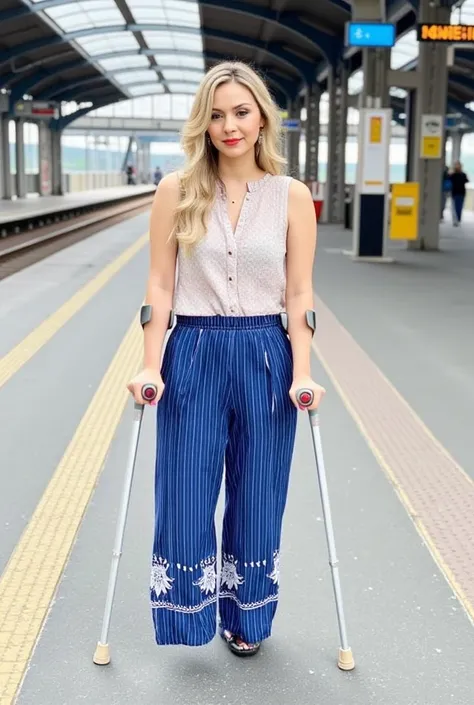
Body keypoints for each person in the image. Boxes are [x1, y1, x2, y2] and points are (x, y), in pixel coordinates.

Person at [127, 61, 325, 657]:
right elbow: (159, 287)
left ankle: (248, 618)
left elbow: (299, 294)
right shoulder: (175, 191)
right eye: (216, 115)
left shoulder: (291, 196)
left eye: (240, 112)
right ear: (202, 123)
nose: (229, 126)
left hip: (267, 350)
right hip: (192, 349)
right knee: (185, 486)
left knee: (259, 488)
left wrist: (304, 369)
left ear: (262, 116)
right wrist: (149, 363)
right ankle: (186, 616)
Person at [449, 160, 469, 226]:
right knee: (456, 207)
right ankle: (456, 220)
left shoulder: (460, 175)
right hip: (456, 193)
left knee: (458, 207)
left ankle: (458, 219)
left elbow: (466, 181)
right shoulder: (455, 175)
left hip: (460, 193)